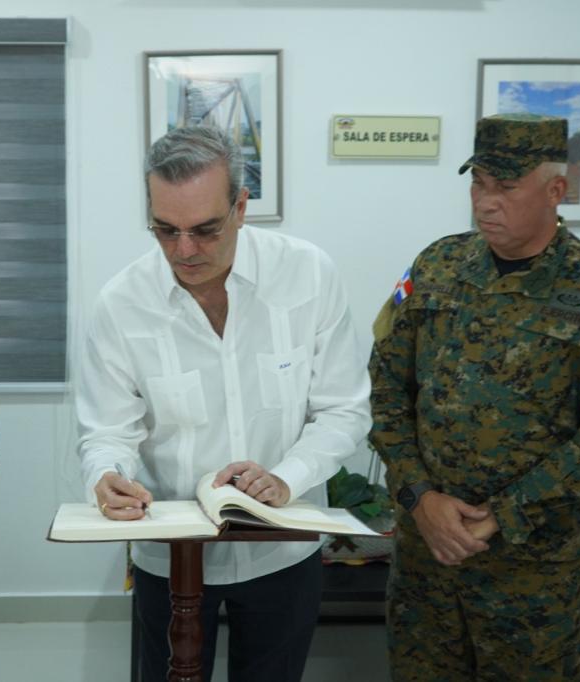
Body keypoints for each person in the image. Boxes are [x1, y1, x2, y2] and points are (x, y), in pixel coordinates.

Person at [368, 113, 580, 680]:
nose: (486, 202)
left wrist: (502, 515)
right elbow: (385, 387)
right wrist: (418, 496)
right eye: (478, 183)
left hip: (532, 582)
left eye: (505, 186)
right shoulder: (436, 266)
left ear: (556, 190)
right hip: (427, 569)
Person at [76, 125, 371, 681]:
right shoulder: (121, 304)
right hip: (171, 553)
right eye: (165, 230)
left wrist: (286, 477)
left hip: (283, 548)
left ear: (241, 207)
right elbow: (108, 430)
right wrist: (108, 475)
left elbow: (343, 409)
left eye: (205, 230)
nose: (184, 250)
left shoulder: (307, 274)